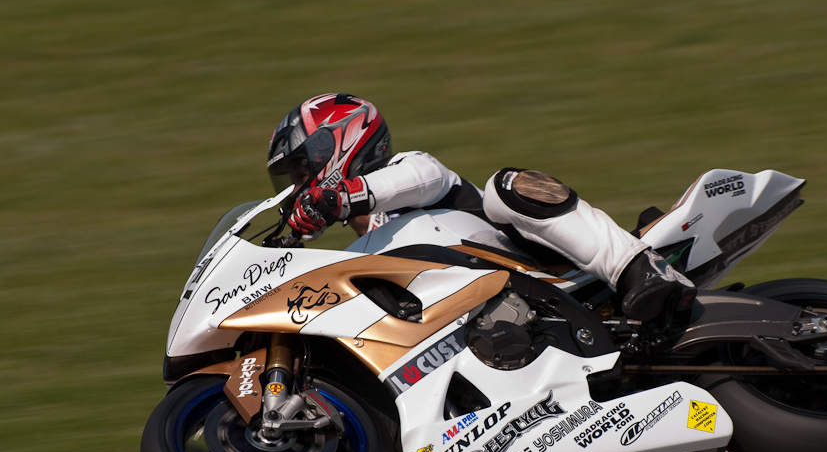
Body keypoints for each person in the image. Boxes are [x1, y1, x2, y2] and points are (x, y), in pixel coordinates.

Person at [265, 93, 694, 321]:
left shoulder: (409, 170)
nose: (297, 187)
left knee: (503, 186)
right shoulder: (364, 248)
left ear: (335, 145)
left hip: (555, 275)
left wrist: (339, 196)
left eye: (301, 170)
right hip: (502, 325)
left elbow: (422, 176)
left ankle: (640, 269)